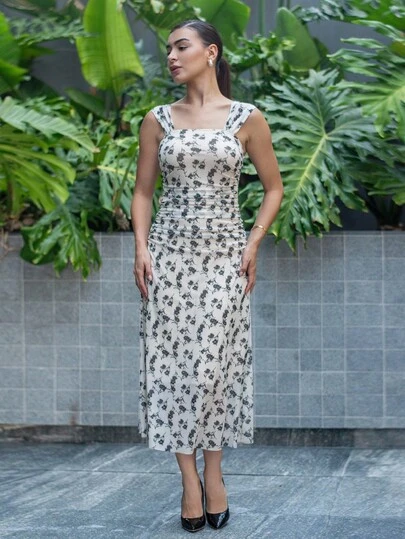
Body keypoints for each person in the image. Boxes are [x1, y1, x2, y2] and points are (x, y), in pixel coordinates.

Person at [131, 19, 283, 533]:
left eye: (182, 47)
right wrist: (141, 248)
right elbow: (143, 192)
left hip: (224, 259)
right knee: (173, 367)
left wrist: (253, 242)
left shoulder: (246, 117)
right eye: (168, 49)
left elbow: (274, 188)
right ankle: (188, 480)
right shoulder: (157, 119)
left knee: (214, 367)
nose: (172, 57)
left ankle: (213, 472)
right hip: (168, 258)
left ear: (211, 52)